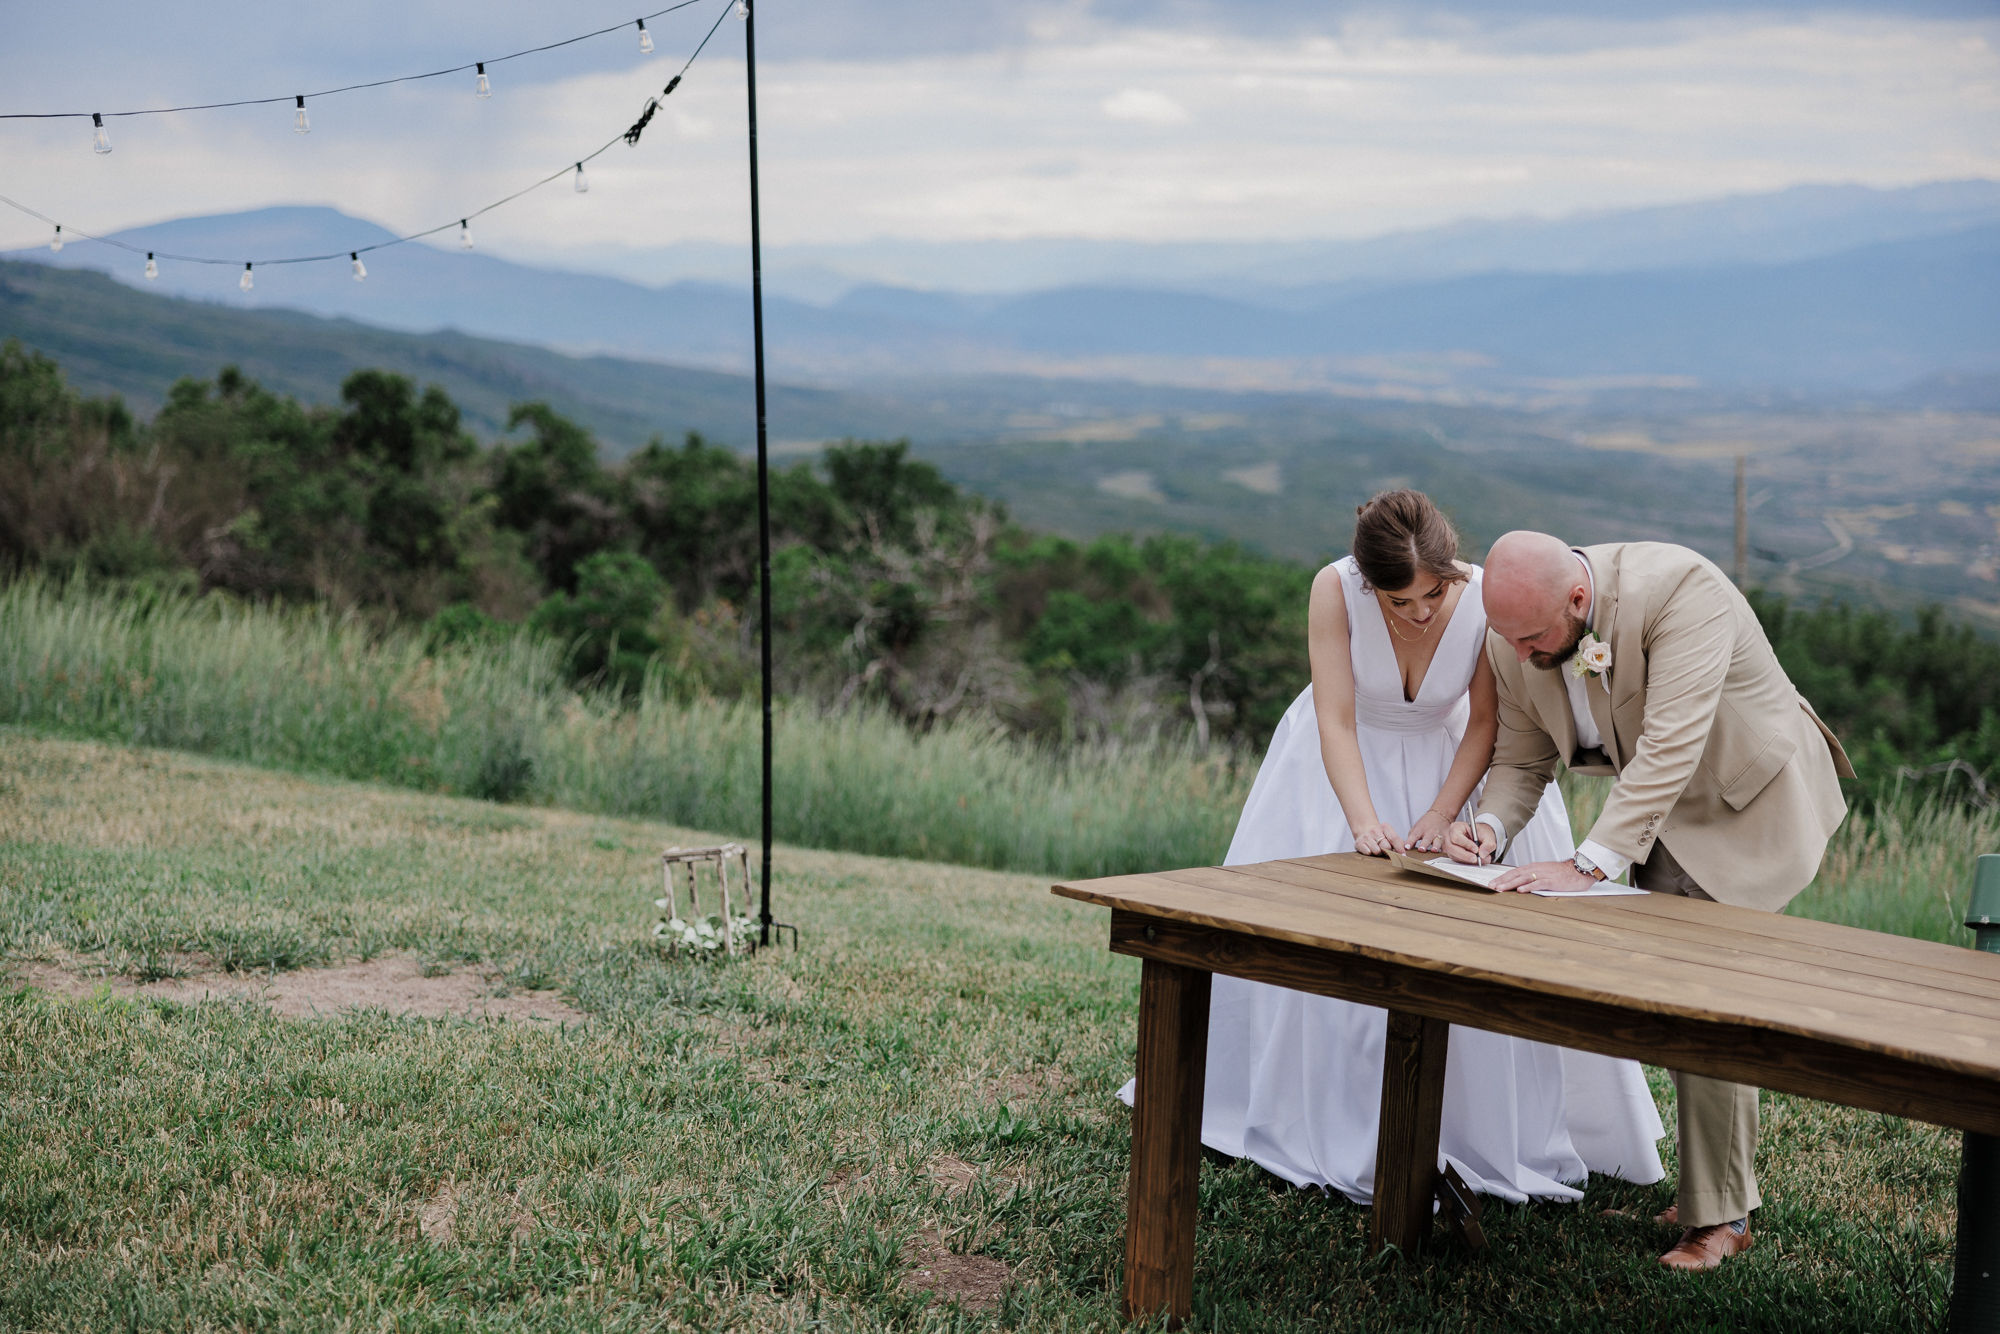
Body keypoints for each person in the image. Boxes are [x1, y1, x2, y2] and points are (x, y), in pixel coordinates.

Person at [1121, 491, 1666, 1206]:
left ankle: (1476, 1128)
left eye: (1431, 594)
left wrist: (1443, 816)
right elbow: (1335, 718)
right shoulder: (1332, 589)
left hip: (1457, 771)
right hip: (1340, 772)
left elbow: (1484, 724)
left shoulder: (1480, 595)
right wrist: (1364, 821)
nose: (1419, 612)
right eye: (1398, 600)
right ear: (1367, 580)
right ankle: (1313, 1113)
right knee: (1324, 948)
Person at [1445, 531, 1852, 1271]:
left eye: (1532, 637)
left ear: (1577, 598)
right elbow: (1519, 759)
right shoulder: (1515, 632)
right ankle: (1713, 1185)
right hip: (1657, 814)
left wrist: (1589, 865)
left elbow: (1671, 744)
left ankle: (1720, 1218)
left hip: (1743, 805)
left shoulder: (1680, 590)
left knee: (1708, 1000)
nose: (1520, 653)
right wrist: (1488, 828)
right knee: (1677, 1003)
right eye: (1504, 637)